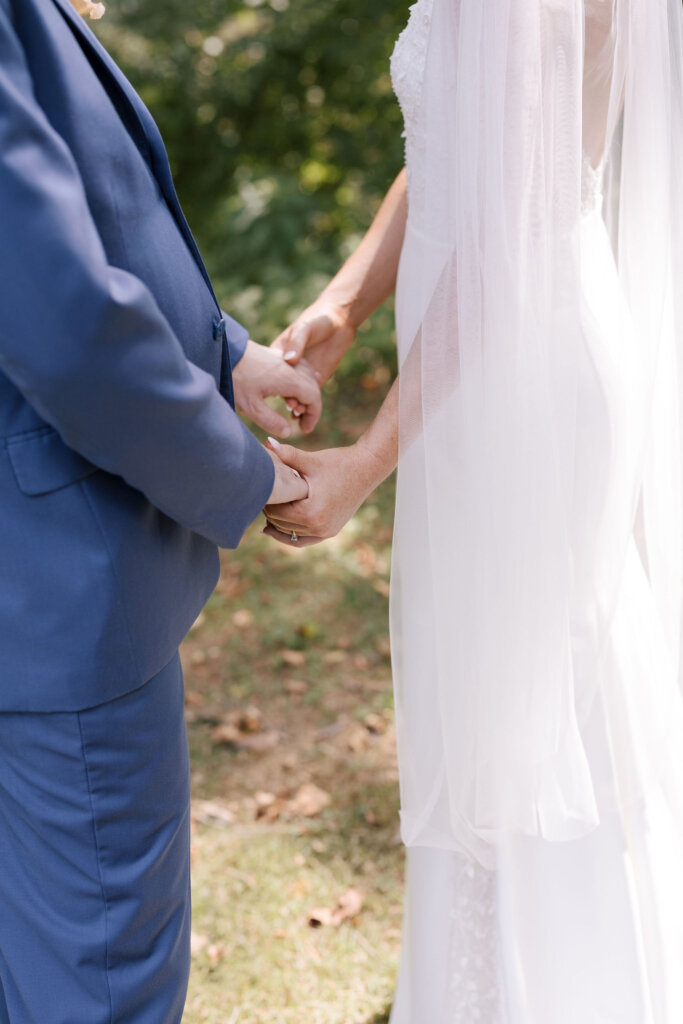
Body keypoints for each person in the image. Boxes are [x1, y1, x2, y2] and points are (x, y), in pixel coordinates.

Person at [266, 0, 683, 1019]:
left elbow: (508, 230)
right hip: (495, 343)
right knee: (507, 692)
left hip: (518, 361)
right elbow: (462, 145)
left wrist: (364, 462)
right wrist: (344, 304)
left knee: (531, 701)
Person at [0, 0, 319, 1020]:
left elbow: (81, 219)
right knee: (102, 984)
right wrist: (243, 473)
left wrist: (221, 352)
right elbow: (66, 321)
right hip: (54, 595)